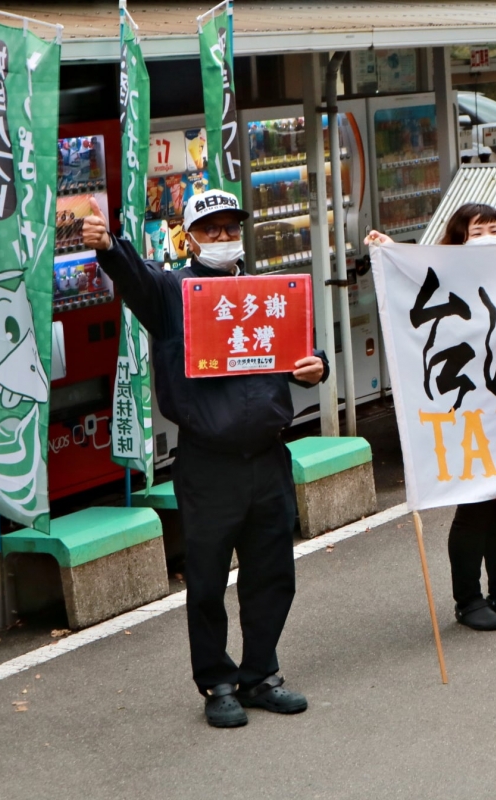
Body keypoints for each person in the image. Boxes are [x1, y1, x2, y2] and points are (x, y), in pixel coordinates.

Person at [81, 189, 329, 728]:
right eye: (210, 229)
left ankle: (261, 674)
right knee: (209, 579)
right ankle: (217, 682)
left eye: (230, 228)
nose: (222, 238)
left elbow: (303, 351)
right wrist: (110, 249)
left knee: (273, 574)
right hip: (207, 463)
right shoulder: (173, 293)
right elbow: (136, 282)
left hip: (268, 457)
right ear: (188, 237)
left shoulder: (268, 293)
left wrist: (319, 365)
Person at [366, 203, 496, 632]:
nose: (486, 236)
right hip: (470, 414)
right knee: (476, 506)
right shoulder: (447, 281)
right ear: (458, 240)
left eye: (493, 228)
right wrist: (391, 251)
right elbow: (418, 275)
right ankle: (469, 600)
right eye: (475, 231)